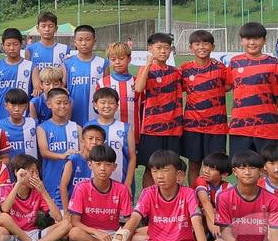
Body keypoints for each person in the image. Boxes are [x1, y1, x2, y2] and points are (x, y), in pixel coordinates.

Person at [121, 150, 213, 241]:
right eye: (155, 171)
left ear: (178, 174)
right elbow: (134, 220)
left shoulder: (188, 193)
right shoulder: (148, 192)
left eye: (165, 171)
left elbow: (197, 223)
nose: (159, 176)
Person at [226, 22, 278, 154]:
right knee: (240, 165)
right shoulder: (235, 62)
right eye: (247, 39)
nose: (252, 42)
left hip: (268, 127)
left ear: (264, 41)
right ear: (241, 41)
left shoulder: (274, 64)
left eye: (256, 38)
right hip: (239, 128)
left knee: (270, 164)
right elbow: (225, 86)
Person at [65, 143, 134, 241]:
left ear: (114, 167)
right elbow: (75, 222)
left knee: (142, 235)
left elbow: (129, 221)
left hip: (112, 235)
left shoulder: (121, 189)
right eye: (98, 164)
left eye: (108, 164)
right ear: (90, 165)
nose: (102, 168)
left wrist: (119, 237)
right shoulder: (81, 187)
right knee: (74, 234)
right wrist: (97, 232)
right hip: (88, 233)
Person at [0, 153, 65, 241]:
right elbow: (5, 209)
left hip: (33, 234)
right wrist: (18, 183)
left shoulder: (38, 192)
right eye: (32, 172)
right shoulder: (6, 188)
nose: (36, 176)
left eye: (37, 172)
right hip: (13, 235)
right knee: (3, 217)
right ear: (18, 172)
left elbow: (58, 218)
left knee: (66, 224)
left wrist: (43, 192)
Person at [134, 32, 182, 187]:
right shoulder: (145, 69)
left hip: (173, 129)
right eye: (159, 47)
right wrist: (148, 65)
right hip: (151, 129)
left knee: (171, 168)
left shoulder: (176, 72)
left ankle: (168, 200)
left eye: (166, 48)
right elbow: (138, 88)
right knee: (151, 168)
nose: (163, 51)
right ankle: (147, 199)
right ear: (150, 48)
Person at [180, 29, 231, 174]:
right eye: (197, 44)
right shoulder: (185, 69)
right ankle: (195, 190)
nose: (201, 47)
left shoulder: (221, 68)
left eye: (206, 43)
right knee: (194, 164)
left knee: (215, 165)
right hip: (192, 126)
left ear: (213, 47)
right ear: (191, 47)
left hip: (216, 127)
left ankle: (212, 190)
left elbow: (228, 86)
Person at [37, 88, 80, 205]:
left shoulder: (77, 128)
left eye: (66, 103)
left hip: (74, 180)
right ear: (49, 104)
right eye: (58, 103)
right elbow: (44, 152)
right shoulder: (42, 128)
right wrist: (63, 156)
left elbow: (83, 153)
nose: (62, 106)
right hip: (52, 178)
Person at [61, 24, 106, 127]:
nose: (84, 43)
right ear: (75, 42)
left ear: (94, 41)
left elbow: (106, 91)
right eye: (80, 40)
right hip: (73, 113)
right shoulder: (67, 63)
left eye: (88, 39)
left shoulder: (103, 63)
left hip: (96, 115)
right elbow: (62, 86)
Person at [0, 28, 34, 122]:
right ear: (3, 46)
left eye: (15, 44)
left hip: (23, 119)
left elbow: (36, 94)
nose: (12, 48)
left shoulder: (31, 66)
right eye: (8, 45)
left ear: (21, 44)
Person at [94, 41, 137, 126]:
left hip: (134, 130)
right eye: (113, 59)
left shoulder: (138, 82)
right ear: (109, 61)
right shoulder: (102, 83)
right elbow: (97, 108)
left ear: (129, 59)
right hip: (109, 131)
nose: (117, 62)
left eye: (121, 58)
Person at [0, 88, 39, 160]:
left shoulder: (33, 123)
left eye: (21, 106)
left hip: (31, 165)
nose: (17, 109)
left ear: (26, 107)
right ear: (6, 106)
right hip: (9, 166)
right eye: (13, 106)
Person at [25, 11, 70, 76]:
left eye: (50, 26)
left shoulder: (65, 49)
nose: (47, 29)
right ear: (38, 28)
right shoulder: (30, 49)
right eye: (43, 26)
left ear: (56, 28)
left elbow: (66, 73)